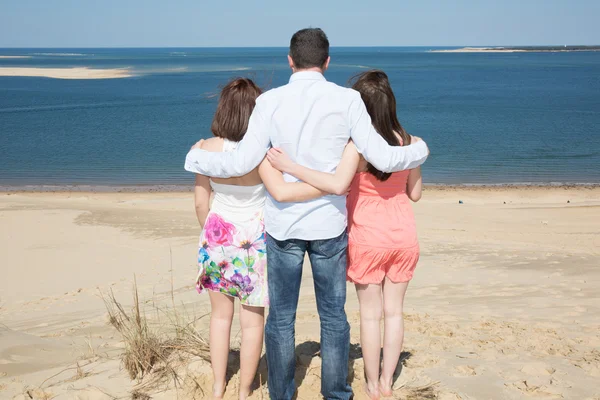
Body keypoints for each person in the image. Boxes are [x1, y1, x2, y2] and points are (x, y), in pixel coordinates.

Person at [185, 28, 429, 400]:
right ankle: (336, 393)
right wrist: (421, 150)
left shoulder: (270, 103)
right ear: (327, 61)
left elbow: (240, 160)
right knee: (333, 316)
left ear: (290, 60)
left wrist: (195, 158)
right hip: (329, 225)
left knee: (281, 318)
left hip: (284, 224)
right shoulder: (348, 100)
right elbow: (384, 157)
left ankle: (282, 394)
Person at [266, 70, 422, 399]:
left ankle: (369, 381)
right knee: (394, 312)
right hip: (403, 235)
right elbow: (416, 193)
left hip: (367, 235)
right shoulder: (409, 141)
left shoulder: (358, 149)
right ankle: (385, 382)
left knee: (369, 313)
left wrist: (292, 166)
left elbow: (336, 182)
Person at [193, 78, 328, 400]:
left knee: (219, 317)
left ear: (222, 109)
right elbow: (281, 194)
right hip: (255, 239)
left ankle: (217, 385)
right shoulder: (265, 154)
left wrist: (210, 234)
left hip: (217, 235)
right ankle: (244, 390)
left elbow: (201, 202)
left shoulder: (204, 149)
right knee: (253, 322)